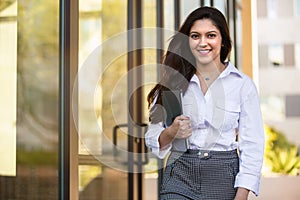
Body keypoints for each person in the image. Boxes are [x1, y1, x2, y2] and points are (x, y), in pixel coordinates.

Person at [145, 6, 265, 200]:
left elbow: (253, 145)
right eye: (195, 36)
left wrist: (242, 193)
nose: (203, 42)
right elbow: (153, 136)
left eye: (210, 35)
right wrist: (172, 131)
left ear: (223, 41)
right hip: (180, 173)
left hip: (223, 176)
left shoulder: (242, 85)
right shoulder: (173, 81)